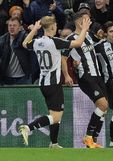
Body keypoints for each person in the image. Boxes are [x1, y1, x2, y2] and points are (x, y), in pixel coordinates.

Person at [19, 15, 90, 147]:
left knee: (54, 114)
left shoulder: (37, 41)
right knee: (56, 117)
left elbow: (24, 44)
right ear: (52, 27)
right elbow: (78, 43)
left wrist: (34, 29)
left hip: (43, 83)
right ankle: (28, 128)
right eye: (56, 25)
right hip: (53, 83)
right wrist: (84, 29)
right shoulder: (55, 41)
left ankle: (54, 143)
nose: (56, 27)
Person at [62, 11, 108, 148]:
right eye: (87, 21)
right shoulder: (70, 38)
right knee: (103, 105)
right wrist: (67, 75)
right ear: (79, 23)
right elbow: (64, 58)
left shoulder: (88, 35)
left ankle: (92, 141)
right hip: (86, 76)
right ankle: (88, 136)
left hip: (97, 75)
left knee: (103, 110)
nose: (90, 23)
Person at [0, 17, 32, 85]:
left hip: (24, 77)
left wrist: (34, 31)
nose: (12, 27)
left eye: (14, 25)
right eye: (10, 25)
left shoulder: (24, 37)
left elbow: (31, 42)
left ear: (20, 28)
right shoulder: (2, 40)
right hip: (7, 78)